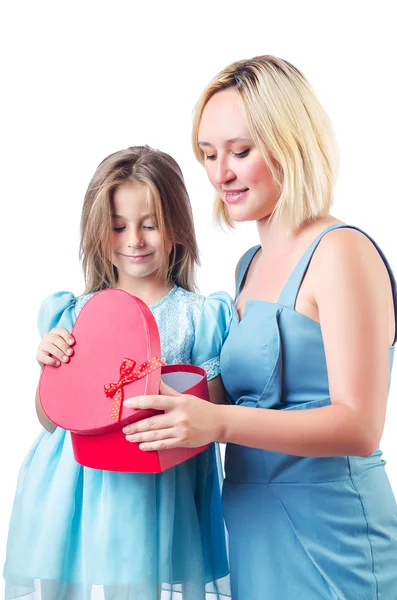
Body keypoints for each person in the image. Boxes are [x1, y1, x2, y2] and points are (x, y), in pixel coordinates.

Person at [120, 57, 397, 599]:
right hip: (251, 527)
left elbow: (360, 427)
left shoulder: (341, 252)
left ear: (290, 143)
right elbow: (225, 396)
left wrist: (217, 422)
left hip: (331, 533)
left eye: (240, 152)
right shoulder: (249, 266)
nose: (220, 174)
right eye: (208, 155)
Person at [3, 146, 232, 600]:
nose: (134, 240)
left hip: (160, 486)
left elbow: (217, 413)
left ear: (177, 228)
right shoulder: (75, 313)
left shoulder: (199, 315)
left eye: (150, 225)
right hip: (79, 489)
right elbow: (50, 420)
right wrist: (49, 365)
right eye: (118, 226)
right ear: (98, 230)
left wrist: (173, 391)